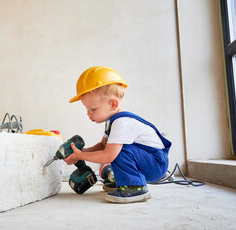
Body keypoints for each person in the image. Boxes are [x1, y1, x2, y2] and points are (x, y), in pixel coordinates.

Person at [64, 66, 171, 203]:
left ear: (113, 104)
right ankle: (124, 181)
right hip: (147, 160)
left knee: (118, 150)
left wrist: (81, 156)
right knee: (113, 147)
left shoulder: (122, 123)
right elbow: (103, 146)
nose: (88, 113)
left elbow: (108, 155)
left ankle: (135, 187)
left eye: (93, 109)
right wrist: (81, 151)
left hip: (156, 163)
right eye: (86, 108)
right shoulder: (113, 122)